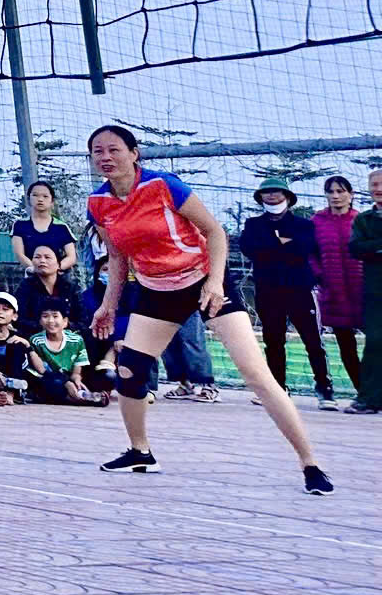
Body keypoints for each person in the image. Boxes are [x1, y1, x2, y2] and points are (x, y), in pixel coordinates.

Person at [84, 124, 330, 493]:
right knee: (129, 372)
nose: (106, 157)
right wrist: (108, 305)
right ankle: (140, 452)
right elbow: (118, 257)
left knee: (256, 374)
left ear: (134, 154)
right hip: (157, 288)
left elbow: (215, 232)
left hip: (204, 280)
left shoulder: (164, 185)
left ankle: (310, 464)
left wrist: (214, 282)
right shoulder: (98, 203)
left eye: (114, 149)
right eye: (98, 151)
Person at [237, 180, 332, 405]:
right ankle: (278, 389)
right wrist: (281, 242)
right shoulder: (253, 224)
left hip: (299, 289)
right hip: (268, 290)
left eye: (276, 192)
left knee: (313, 340)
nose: (271, 196)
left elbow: (302, 249)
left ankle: (324, 388)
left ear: (287, 197)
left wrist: (271, 243)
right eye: (266, 193)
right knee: (273, 341)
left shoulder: (304, 224)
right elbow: (249, 248)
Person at [309, 174, 363, 398]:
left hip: (364, 293)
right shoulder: (317, 221)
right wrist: (319, 275)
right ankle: (363, 392)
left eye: (340, 191)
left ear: (351, 194)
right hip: (334, 293)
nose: (335, 196)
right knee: (346, 346)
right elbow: (310, 253)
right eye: (330, 191)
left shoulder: (361, 220)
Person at [23, 304, 110, 406]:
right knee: (53, 385)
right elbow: (43, 370)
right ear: (40, 322)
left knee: (106, 377)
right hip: (50, 378)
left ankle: (82, 396)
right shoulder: (36, 340)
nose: (50, 321)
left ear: (65, 322)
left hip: (69, 377)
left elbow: (76, 373)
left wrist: (76, 381)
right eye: (45, 316)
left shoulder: (76, 341)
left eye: (55, 316)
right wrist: (66, 383)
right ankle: (84, 400)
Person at [350, 166, 382, 415]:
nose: (378, 189)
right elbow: (356, 249)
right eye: (374, 185)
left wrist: (373, 248)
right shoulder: (363, 220)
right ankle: (368, 398)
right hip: (375, 292)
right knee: (375, 342)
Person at [11, 179, 79, 286]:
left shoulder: (61, 227)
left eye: (45, 196)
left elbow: (71, 257)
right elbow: (19, 254)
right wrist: (36, 270)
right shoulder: (20, 225)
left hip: (58, 280)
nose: (40, 199)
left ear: (52, 201)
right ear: (28, 199)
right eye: (35, 195)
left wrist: (54, 270)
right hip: (31, 279)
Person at [15, 244, 79, 330]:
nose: (42, 261)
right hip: (33, 334)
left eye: (47, 257)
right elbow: (18, 318)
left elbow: (81, 319)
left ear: (58, 263)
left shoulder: (69, 287)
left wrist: (63, 326)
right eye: (37, 257)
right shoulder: (25, 286)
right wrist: (44, 326)